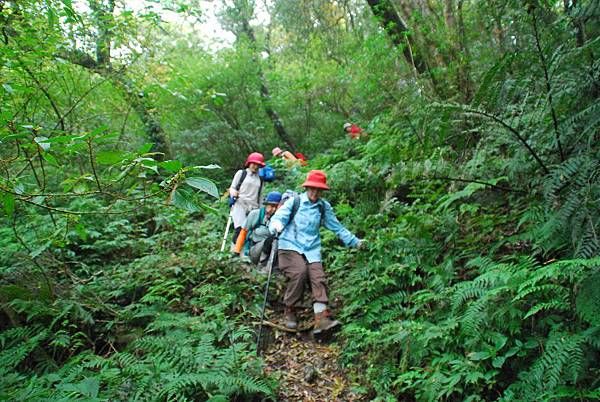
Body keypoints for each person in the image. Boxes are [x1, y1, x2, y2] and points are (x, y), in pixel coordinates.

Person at [268, 170, 364, 333]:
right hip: (289, 245)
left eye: (318, 189)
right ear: (307, 188)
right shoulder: (294, 202)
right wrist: (275, 226)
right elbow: (278, 218)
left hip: (311, 249)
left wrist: (355, 242)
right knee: (299, 272)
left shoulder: (323, 207)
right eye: (312, 188)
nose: (315, 192)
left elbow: (337, 227)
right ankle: (290, 311)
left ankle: (321, 318)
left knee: (318, 278)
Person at [233, 191, 282, 271]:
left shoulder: (280, 219)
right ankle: (262, 267)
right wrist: (237, 251)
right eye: (271, 206)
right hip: (255, 250)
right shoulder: (255, 214)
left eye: (276, 206)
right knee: (270, 240)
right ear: (266, 205)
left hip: (273, 252)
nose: (273, 209)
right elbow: (243, 232)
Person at [229, 152, 266, 248]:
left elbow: (261, 196)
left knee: (248, 230)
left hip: (253, 207)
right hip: (240, 203)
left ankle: (244, 252)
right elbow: (232, 188)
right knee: (240, 228)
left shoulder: (261, 179)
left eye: (258, 165)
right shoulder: (241, 174)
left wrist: (262, 210)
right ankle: (234, 250)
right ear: (249, 163)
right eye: (253, 163)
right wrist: (233, 193)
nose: (255, 166)